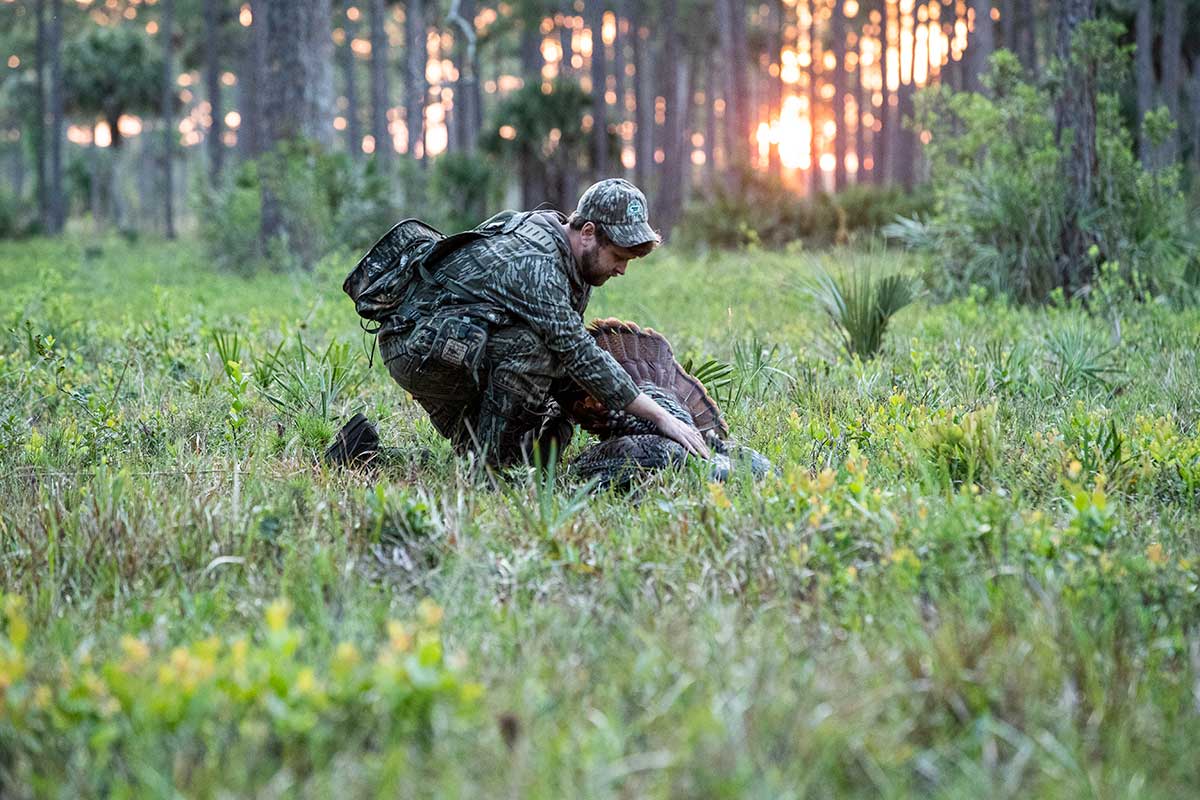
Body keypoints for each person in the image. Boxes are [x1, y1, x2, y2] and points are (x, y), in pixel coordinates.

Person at [375, 178, 710, 467]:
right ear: (588, 233)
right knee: (539, 350)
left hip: (457, 339)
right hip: (416, 343)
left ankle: (377, 450)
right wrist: (660, 416)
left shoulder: (571, 256)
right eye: (618, 257)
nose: (622, 269)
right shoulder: (538, 262)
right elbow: (575, 351)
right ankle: (489, 468)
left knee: (561, 392)